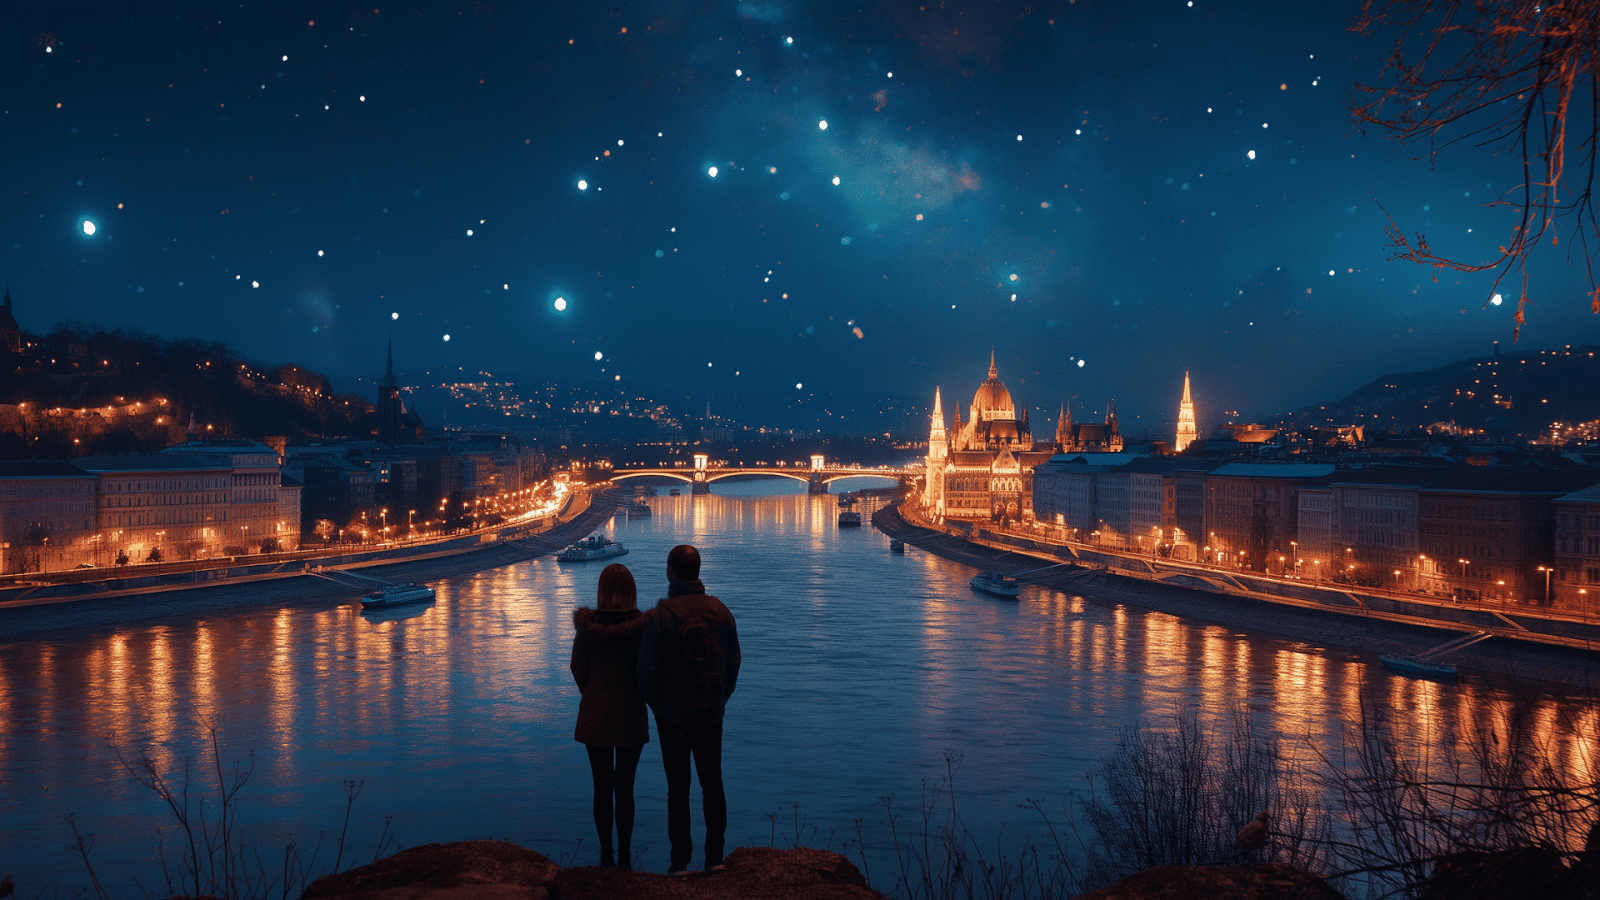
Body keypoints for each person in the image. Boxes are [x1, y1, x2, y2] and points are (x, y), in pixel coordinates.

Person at [637, 544, 741, 876]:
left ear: (670, 572)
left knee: (678, 789)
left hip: (672, 717)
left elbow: (645, 672)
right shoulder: (720, 611)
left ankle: (680, 862)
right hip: (710, 711)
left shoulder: (660, 617)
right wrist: (720, 698)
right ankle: (715, 859)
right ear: (698, 571)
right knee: (713, 783)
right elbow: (734, 661)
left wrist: (659, 706)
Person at [570, 563, 649, 869]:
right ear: (631, 591)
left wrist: (592, 693)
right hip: (631, 711)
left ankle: (605, 855)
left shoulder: (588, 628)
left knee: (601, 786)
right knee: (626, 787)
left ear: (601, 591)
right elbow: (648, 669)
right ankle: (626, 856)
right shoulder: (642, 627)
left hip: (595, 713)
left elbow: (578, 668)